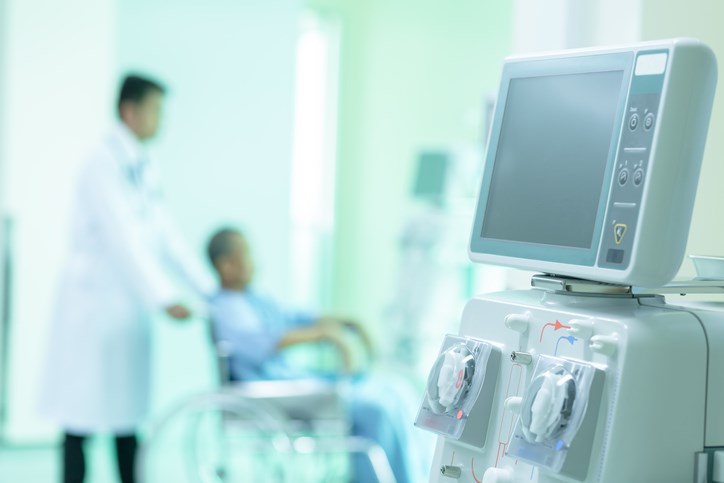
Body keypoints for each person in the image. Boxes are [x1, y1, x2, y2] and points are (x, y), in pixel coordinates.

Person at [40, 74, 215, 483]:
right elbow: (123, 238)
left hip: (125, 308)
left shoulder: (143, 164)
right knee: (79, 414)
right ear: (129, 110)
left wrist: (210, 289)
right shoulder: (100, 162)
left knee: (126, 412)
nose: (161, 120)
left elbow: (164, 234)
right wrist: (164, 296)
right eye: (156, 110)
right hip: (94, 307)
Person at [207, 227, 418, 483]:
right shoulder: (226, 308)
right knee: (375, 409)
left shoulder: (255, 299)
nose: (254, 263)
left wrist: (347, 322)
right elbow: (264, 344)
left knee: (396, 393)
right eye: (246, 255)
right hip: (271, 394)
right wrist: (325, 334)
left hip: (294, 385)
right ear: (226, 266)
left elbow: (295, 316)